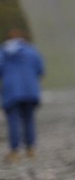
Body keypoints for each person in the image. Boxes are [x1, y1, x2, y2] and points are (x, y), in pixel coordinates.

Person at [0, 28, 45, 161]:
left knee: (13, 120)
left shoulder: (4, 51)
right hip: (30, 90)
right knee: (29, 119)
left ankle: (15, 151)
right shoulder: (32, 51)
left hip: (11, 90)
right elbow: (40, 69)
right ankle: (31, 148)